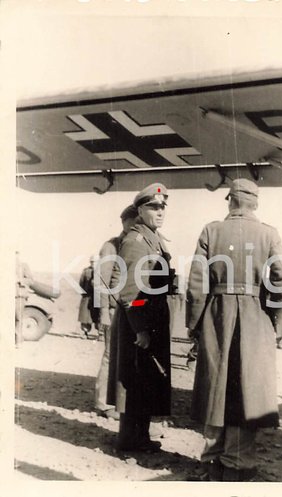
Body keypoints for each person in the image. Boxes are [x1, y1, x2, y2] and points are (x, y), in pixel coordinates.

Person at [186, 178, 282, 481]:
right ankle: (238, 464)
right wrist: (274, 320)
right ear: (255, 203)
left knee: (215, 388)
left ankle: (210, 461)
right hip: (255, 317)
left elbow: (196, 285)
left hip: (215, 316)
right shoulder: (269, 234)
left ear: (230, 200)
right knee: (247, 391)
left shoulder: (211, 230)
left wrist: (195, 324)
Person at [110, 183, 172, 452]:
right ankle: (129, 439)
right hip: (140, 320)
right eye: (153, 207)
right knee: (135, 380)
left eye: (162, 207)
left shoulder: (152, 238)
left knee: (146, 379)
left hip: (151, 319)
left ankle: (140, 437)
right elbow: (128, 291)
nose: (160, 212)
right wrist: (141, 329)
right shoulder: (136, 242)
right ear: (140, 210)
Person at [94, 204, 138, 420]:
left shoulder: (132, 244)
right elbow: (102, 280)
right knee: (110, 356)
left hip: (129, 309)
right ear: (125, 222)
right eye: (134, 222)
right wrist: (103, 310)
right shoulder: (111, 246)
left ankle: (120, 402)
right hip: (112, 309)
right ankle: (103, 403)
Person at [78, 256, 100, 339]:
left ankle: (100, 334)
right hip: (87, 296)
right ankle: (85, 332)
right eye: (92, 262)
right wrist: (84, 293)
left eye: (95, 262)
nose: (93, 263)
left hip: (98, 297)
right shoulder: (86, 271)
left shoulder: (102, 271)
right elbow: (81, 283)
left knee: (99, 315)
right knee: (85, 316)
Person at [15, 251, 34, 347]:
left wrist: (19, 280)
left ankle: (17, 341)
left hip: (18, 295)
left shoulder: (23, 266)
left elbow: (30, 280)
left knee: (18, 318)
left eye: (16, 253)